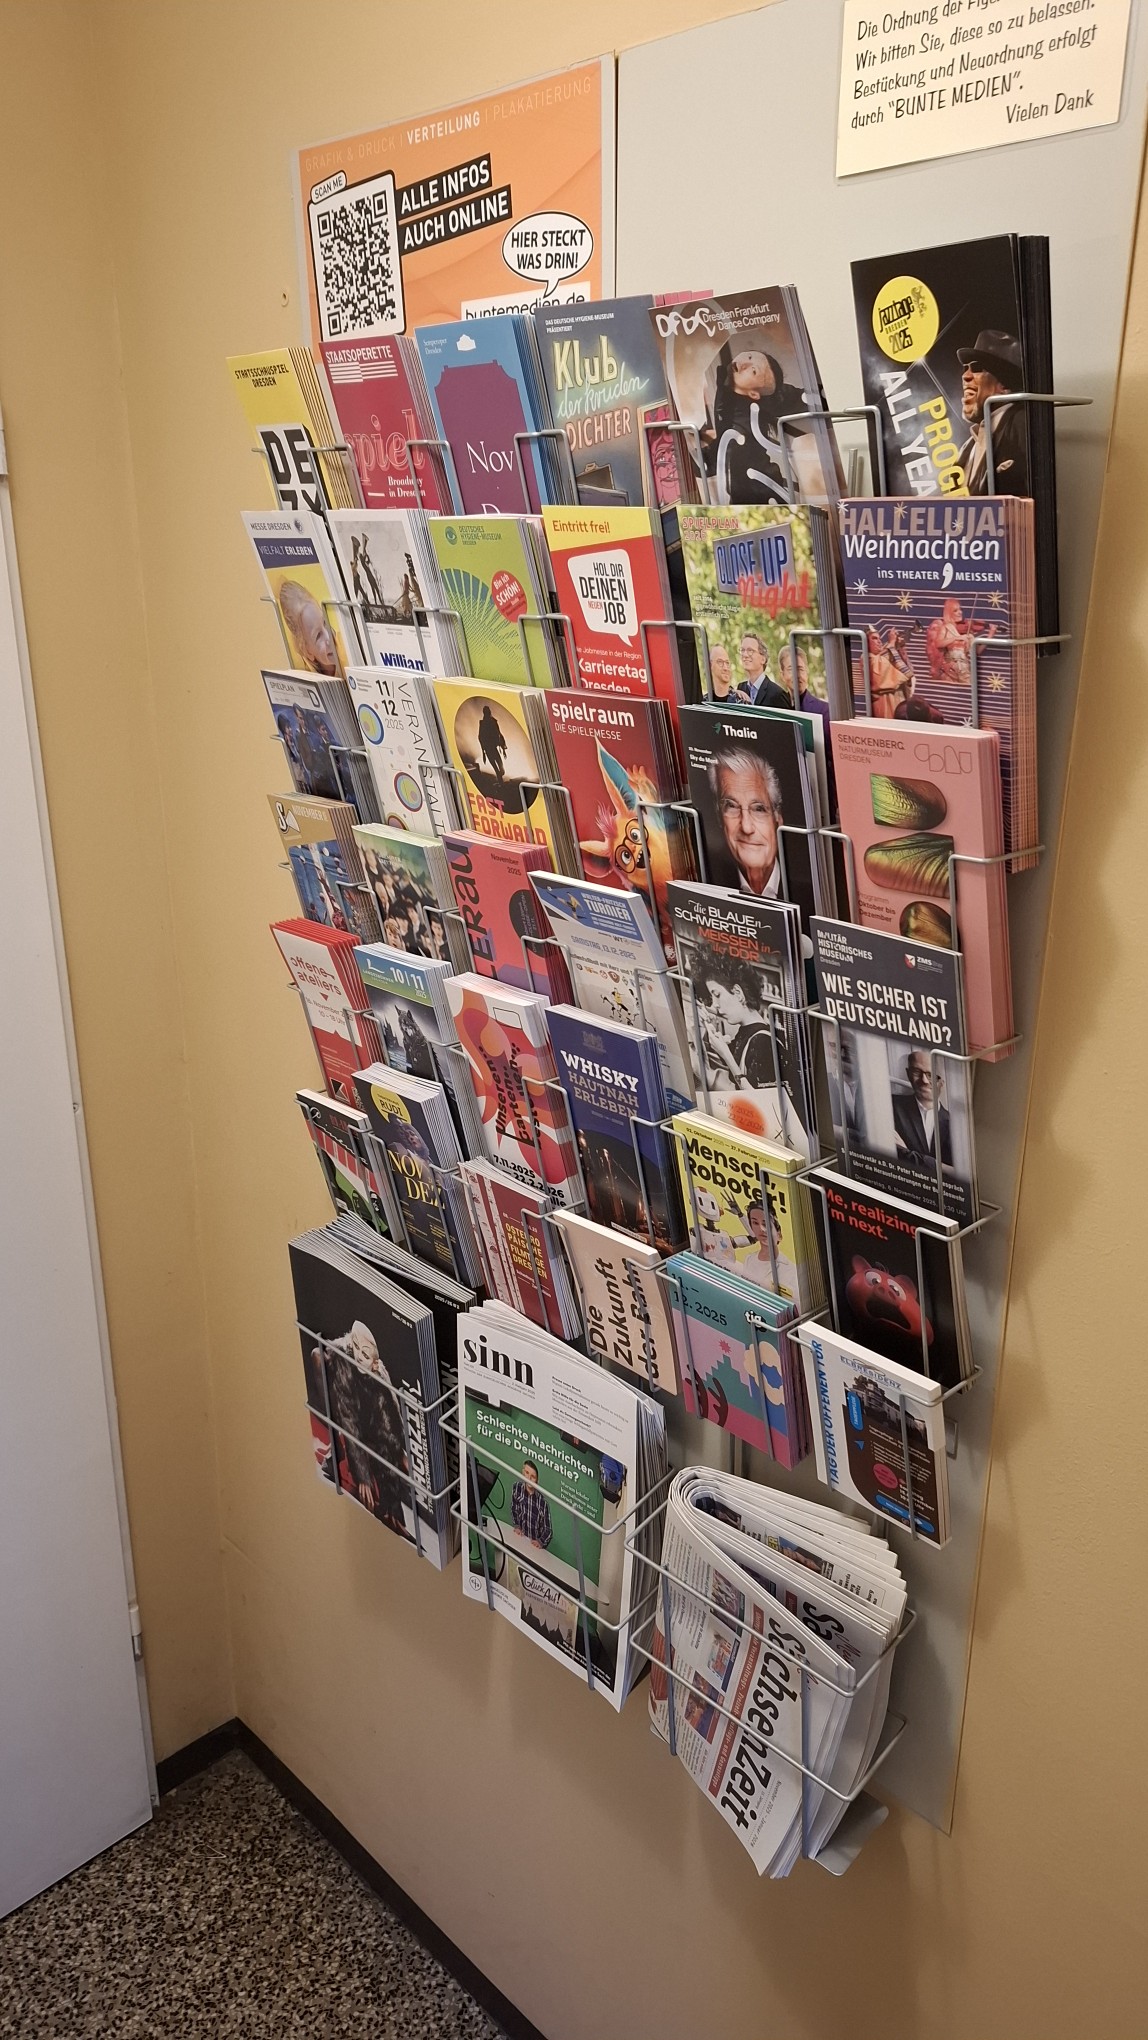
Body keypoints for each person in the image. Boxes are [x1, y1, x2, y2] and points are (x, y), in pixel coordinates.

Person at [708, 345, 808, 504]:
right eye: (749, 356)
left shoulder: (744, 417)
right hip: (750, 491)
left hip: (758, 492)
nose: (745, 364)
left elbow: (730, 450)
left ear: (753, 394)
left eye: (753, 371)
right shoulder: (728, 389)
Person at [954, 329, 1029, 495]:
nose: (965, 376)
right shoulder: (967, 448)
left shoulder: (1022, 423)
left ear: (1004, 386)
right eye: (965, 368)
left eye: (977, 367)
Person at [707, 745, 783, 897]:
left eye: (759, 809)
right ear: (719, 816)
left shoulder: (815, 895)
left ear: (778, 819)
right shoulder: (710, 883)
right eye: (731, 806)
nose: (746, 828)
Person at [893, 1050, 952, 1164]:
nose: (924, 1080)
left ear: (942, 1082)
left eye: (931, 1075)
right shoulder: (891, 1105)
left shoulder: (954, 1123)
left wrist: (908, 1154)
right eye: (916, 1072)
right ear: (908, 1074)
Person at [511, 1460, 553, 1549]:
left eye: (533, 1477)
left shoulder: (543, 1503)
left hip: (533, 1545)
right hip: (520, 1538)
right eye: (527, 1473)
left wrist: (540, 1542)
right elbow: (514, 1508)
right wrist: (517, 1526)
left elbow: (548, 1530)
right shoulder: (517, 1488)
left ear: (537, 1480)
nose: (529, 1478)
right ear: (523, 1472)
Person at [738, 631, 788, 707]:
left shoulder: (777, 694)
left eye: (750, 651)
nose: (745, 655)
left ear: (763, 659)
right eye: (742, 650)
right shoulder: (740, 689)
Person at [476, 703, 508, 781]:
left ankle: (500, 776)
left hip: (493, 746)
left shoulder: (493, 721)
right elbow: (481, 737)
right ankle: (500, 780)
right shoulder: (483, 723)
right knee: (496, 766)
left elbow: (498, 733)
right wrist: (483, 752)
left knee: (500, 767)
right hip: (488, 747)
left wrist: (503, 748)